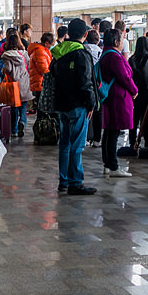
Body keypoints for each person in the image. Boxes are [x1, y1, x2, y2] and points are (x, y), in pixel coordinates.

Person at [51, 18, 96, 195]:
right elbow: (86, 82)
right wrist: (91, 103)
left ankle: (64, 180)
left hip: (61, 104)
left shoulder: (58, 52)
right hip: (77, 105)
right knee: (76, 145)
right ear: (85, 34)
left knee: (64, 144)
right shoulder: (81, 53)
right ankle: (75, 182)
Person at [99, 28, 137, 178]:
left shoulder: (106, 53)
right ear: (116, 42)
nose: (122, 43)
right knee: (113, 132)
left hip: (112, 97)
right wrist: (134, 90)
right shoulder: (114, 56)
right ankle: (113, 166)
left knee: (109, 131)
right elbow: (124, 77)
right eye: (121, 40)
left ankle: (108, 164)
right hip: (117, 97)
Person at [0, 30, 32, 137]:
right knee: (23, 107)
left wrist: (3, 69)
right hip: (24, 83)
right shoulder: (25, 53)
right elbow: (29, 66)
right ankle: (22, 122)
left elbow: (8, 69)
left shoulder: (6, 55)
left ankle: (14, 130)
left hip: (13, 85)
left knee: (13, 109)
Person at [27, 32, 54, 113]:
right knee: (42, 110)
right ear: (46, 43)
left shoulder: (42, 50)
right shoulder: (40, 52)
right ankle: (41, 125)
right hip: (40, 83)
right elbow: (43, 69)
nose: (51, 46)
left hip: (39, 82)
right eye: (51, 44)